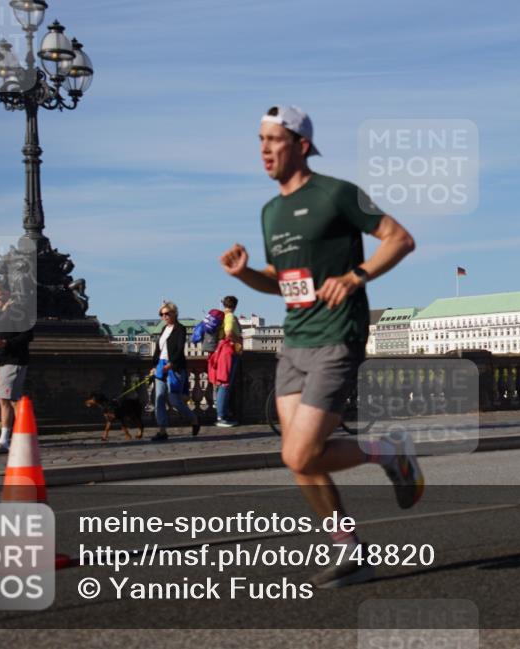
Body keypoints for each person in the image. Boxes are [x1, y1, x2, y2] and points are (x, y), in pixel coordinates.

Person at [220, 105, 420, 588]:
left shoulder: (338, 194)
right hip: (295, 340)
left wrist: (356, 276)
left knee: (299, 455)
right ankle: (349, 550)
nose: (265, 149)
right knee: (298, 456)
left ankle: (387, 449)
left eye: (274, 140)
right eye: (260, 140)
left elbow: (399, 238)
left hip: (337, 336)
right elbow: (281, 282)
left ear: (301, 145)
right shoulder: (270, 212)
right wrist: (244, 274)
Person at [0, 285, 33, 454]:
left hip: (13, 361)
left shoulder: (17, 310)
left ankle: (7, 440)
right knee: (10, 400)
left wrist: (5, 343)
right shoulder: (3, 312)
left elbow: (28, 335)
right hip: (5, 361)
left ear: (7, 295)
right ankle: (23, 437)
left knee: (6, 400)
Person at [150, 301, 200, 441]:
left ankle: (194, 419)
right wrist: (155, 365)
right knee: (159, 398)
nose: (164, 316)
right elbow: (159, 349)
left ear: (174, 313)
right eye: (162, 314)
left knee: (174, 400)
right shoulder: (163, 329)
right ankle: (162, 430)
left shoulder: (180, 329)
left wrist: (171, 364)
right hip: (161, 365)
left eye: (167, 313)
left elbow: (179, 350)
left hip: (175, 367)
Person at [213, 295, 242, 427]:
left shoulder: (221, 316)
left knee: (221, 383)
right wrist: (239, 340)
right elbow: (228, 332)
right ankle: (221, 416)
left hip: (220, 351)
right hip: (228, 352)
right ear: (235, 306)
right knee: (225, 384)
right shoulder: (229, 316)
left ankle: (222, 413)